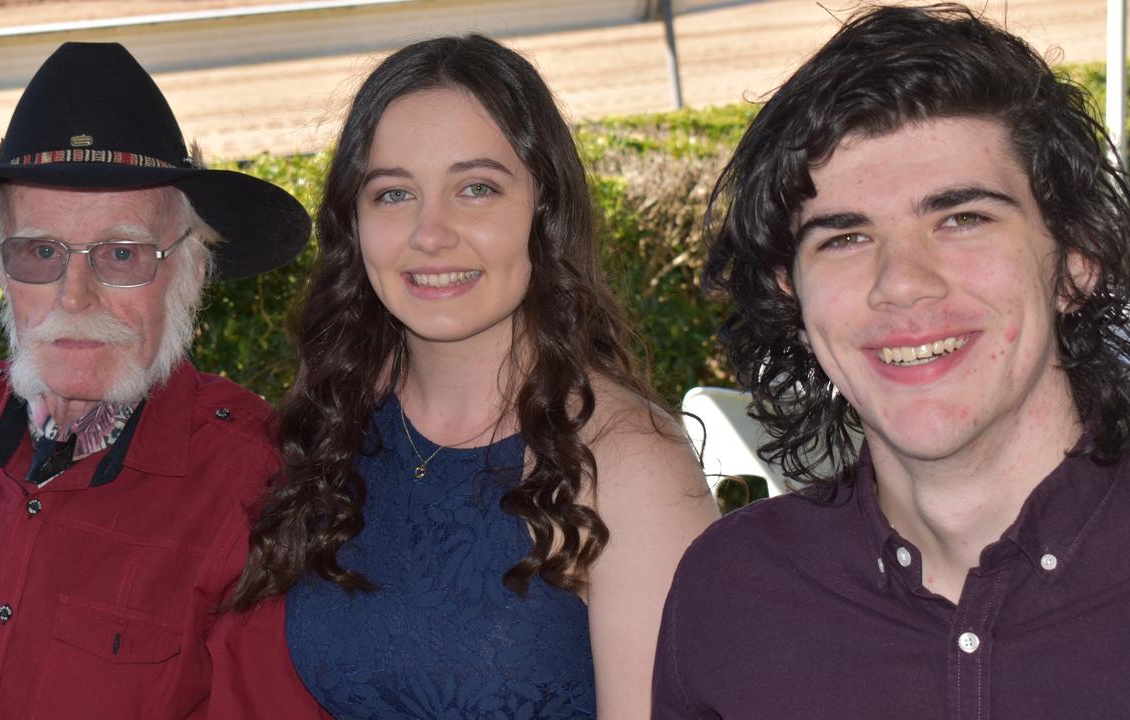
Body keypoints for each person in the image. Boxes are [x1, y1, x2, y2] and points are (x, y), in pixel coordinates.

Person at [215, 34, 717, 718]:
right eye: (393, 194)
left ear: (546, 210)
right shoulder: (336, 426)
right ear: (354, 225)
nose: (431, 233)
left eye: (476, 189)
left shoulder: (631, 466)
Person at [652, 3, 1130, 718]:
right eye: (844, 238)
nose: (902, 281)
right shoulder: (732, 596)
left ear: (1077, 259)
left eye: (962, 218)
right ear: (793, 292)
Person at [0, 43, 316, 718]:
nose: (74, 296)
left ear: (188, 274)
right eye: (40, 251)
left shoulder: (255, 481)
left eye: (121, 253)